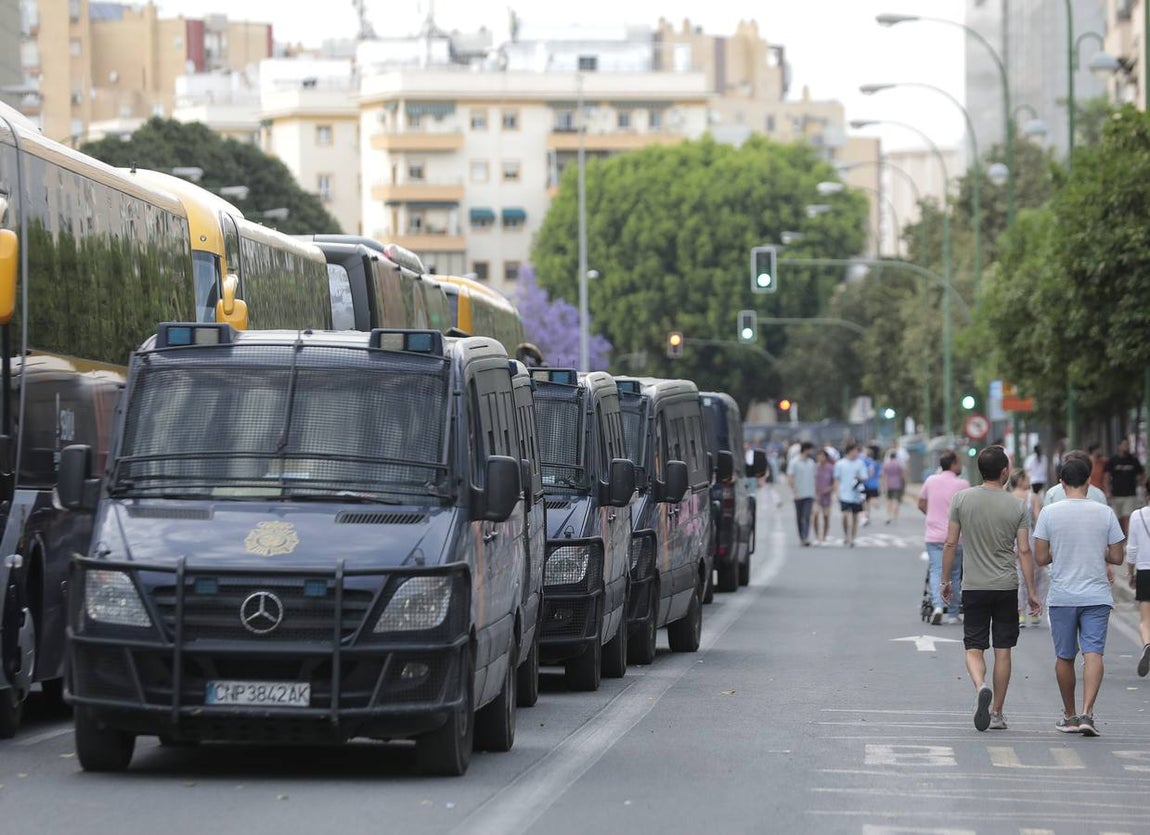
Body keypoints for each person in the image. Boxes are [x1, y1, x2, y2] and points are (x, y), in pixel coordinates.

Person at [941, 445, 1040, 732]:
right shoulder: (1017, 505)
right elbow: (1024, 551)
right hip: (1007, 586)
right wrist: (1031, 591)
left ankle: (980, 685)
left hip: (974, 586)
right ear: (1005, 471)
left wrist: (946, 580)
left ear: (979, 470)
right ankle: (997, 712)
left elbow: (950, 543)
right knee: (1003, 650)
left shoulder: (961, 499)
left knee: (973, 646)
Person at [1034, 457, 1125, 736]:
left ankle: (1069, 715)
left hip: (1062, 596)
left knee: (1065, 656)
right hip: (1096, 594)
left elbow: (1040, 557)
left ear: (1061, 482)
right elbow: (1117, 557)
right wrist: (1100, 550)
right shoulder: (1104, 512)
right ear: (1089, 481)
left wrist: (1059, 551)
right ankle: (1088, 713)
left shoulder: (1049, 513)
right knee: (1093, 653)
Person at [919, 450, 969, 625]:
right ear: (954, 464)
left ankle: (938, 606)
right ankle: (954, 613)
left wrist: (931, 515)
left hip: (933, 535)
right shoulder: (963, 484)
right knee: (955, 574)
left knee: (936, 570)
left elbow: (921, 502)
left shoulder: (930, 481)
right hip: (956, 536)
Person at [1008, 469, 1045, 629]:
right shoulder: (1033, 497)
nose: (1029, 480)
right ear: (1021, 480)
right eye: (1027, 478)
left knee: (1018, 576)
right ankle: (1035, 612)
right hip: (1030, 537)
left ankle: (1020, 612)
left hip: (1012, 536)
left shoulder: (1008, 497)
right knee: (1034, 575)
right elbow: (1039, 518)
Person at [1124, 488, 1150, 678]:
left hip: (1144, 571)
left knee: (1145, 620)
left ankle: (1148, 643)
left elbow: (1131, 549)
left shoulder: (1137, 515)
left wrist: (1130, 574)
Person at [1106, 438, 1145, 536]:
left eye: (1127, 445)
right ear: (1119, 446)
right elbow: (1106, 476)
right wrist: (1107, 490)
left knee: (1127, 517)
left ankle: (1128, 538)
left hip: (1130, 494)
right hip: (1116, 494)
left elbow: (1140, 475)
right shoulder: (1113, 460)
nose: (1126, 447)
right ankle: (1120, 537)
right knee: (1117, 518)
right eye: (1124, 445)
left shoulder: (1133, 460)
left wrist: (1143, 487)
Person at [832, 444, 868, 547]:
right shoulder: (840, 464)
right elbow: (836, 479)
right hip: (844, 493)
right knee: (844, 515)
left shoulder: (860, 463)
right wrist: (837, 492)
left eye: (857, 451)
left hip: (856, 494)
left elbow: (865, 477)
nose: (856, 453)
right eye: (854, 451)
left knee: (855, 516)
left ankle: (852, 537)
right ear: (849, 451)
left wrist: (859, 478)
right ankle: (845, 534)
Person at [788, 442, 816, 546]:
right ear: (806, 450)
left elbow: (814, 478)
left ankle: (805, 537)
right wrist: (794, 491)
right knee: (799, 517)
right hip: (798, 494)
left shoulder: (811, 463)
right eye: (810, 449)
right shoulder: (794, 462)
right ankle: (801, 536)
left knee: (807, 516)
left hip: (809, 494)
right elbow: (790, 477)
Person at [813, 449, 835, 545]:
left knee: (826, 517)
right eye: (819, 456)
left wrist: (830, 489)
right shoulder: (814, 467)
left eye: (822, 456)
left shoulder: (831, 468)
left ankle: (824, 536)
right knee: (815, 516)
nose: (820, 458)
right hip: (816, 496)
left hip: (827, 495)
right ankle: (817, 536)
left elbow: (834, 481)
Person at [881, 449, 906, 524]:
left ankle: (888, 515)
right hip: (897, 483)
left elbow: (884, 475)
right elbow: (902, 474)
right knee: (896, 500)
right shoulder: (899, 464)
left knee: (889, 500)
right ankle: (895, 516)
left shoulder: (886, 464)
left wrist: (883, 485)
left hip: (889, 483)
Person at [860, 445, 881, 526]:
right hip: (874, 484)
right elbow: (879, 474)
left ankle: (865, 516)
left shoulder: (863, 461)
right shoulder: (875, 462)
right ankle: (874, 505)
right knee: (870, 499)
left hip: (865, 483)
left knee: (864, 501)